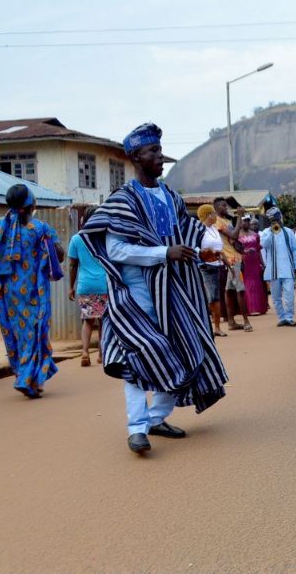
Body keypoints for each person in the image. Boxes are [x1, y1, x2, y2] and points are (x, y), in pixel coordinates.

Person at [80, 123, 228, 454]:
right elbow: (116, 251)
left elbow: (188, 232)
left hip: (175, 295)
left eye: (160, 151)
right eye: (153, 152)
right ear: (135, 157)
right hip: (137, 296)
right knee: (137, 357)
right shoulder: (123, 201)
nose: (160, 157)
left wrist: (206, 249)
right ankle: (137, 429)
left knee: (189, 354)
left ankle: (153, 420)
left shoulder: (171, 197)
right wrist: (163, 253)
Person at [0, 184, 65, 398]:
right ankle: (26, 378)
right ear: (31, 202)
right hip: (33, 291)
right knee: (35, 333)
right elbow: (58, 256)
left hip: (7, 293)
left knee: (19, 334)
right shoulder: (40, 228)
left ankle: (32, 378)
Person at [68, 205, 109, 366]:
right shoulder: (105, 238)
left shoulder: (77, 239)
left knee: (88, 320)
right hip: (104, 285)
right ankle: (101, 354)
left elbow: (72, 265)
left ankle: (85, 352)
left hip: (85, 286)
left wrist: (71, 287)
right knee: (104, 321)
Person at [212, 197, 252, 331]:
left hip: (235, 257)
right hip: (230, 260)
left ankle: (231, 321)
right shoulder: (217, 221)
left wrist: (243, 251)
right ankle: (246, 321)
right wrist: (240, 217)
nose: (226, 208)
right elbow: (234, 235)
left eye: (226, 206)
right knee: (240, 290)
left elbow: (234, 240)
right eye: (223, 206)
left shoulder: (227, 220)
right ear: (216, 208)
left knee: (229, 290)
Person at [260, 206, 296, 327]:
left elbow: (295, 250)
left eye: (277, 220)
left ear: (280, 218)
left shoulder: (288, 232)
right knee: (276, 296)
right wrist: (272, 231)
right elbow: (264, 244)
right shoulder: (266, 232)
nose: (276, 222)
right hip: (273, 270)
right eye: (273, 221)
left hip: (288, 269)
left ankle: (289, 317)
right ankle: (282, 317)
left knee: (289, 295)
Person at [197, 204, 228, 337]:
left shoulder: (214, 230)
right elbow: (195, 247)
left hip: (218, 266)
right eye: (213, 213)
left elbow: (220, 250)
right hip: (205, 267)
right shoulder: (199, 230)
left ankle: (216, 326)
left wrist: (229, 266)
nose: (216, 216)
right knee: (212, 297)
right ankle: (213, 327)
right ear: (208, 215)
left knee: (216, 296)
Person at [237, 213, 269, 315]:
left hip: (255, 262)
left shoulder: (255, 235)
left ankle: (259, 308)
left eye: (247, 220)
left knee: (257, 284)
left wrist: (262, 263)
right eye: (244, 221)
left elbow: (259, 250)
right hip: (244, 263)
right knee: (246, 285)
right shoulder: (236, 235)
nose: (246, 222)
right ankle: (249, 309)